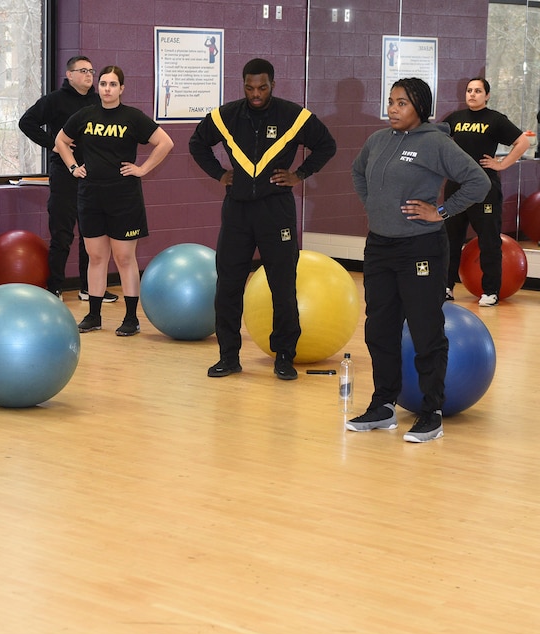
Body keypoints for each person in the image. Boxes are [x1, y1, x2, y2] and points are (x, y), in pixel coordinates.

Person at [347, 78, 489, 443]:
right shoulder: (378, 140)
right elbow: (358, 172)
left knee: (426, 331)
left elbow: (478, 181)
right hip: (379, 248)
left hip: (420, 249)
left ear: (419, 108)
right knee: (379, 329)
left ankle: (431, 411)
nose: (392, 109)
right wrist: (374, 206)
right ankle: (383, 405)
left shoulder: (436, 143)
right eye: (391, 102)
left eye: (401, 104)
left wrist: (441, 211)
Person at [189, 57, 336, 379]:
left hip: (276, 211)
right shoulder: (226, 116)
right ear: (243, 85)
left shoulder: (293, 116)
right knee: (228, 287)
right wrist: (219, 173)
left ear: (272, 85)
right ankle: (228, 356)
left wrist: (299, 174)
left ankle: (284, 355)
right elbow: (197, 143)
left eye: (262, 88)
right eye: (250, 88)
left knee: (282, 287)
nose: (256, 94)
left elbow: (327, 145)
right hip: (238, 212)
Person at [53, 65, 173, 336]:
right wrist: (73, 167)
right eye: (103, 83)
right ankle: (94, 315)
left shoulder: (132, 117)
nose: (107, 88)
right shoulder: (84, 115)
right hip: (91, 196)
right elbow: (61, 141)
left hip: (124, 197)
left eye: (112, 84)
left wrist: (142, 169)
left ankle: (131, 318)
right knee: (96, 257)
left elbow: (165, 142)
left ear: (122, 88)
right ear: (98, 86)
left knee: (123, 257)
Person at [18, 56, 115, 302]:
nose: (89, 75)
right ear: (69, 75)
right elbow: (26, 122)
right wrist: (54, 145)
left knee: (91, 234)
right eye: (83, 71)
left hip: (93, 175)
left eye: (91, 70)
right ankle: (55, 288)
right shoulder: (54, 100)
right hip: (64, 173)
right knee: (62, 233)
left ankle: (89, 287)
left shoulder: (98, 101)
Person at [441, 77, 529, 306]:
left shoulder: (495, 120)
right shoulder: (455, 119)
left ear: (487, 95)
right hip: (456, 187)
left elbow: (522, 143)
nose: (472, 94)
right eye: (469, 90)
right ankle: (447, 287)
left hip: (484, 187)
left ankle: (490, 291)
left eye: (478, 91)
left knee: (489, 241)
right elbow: (435, 141)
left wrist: (502, 164)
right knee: (450, 239)